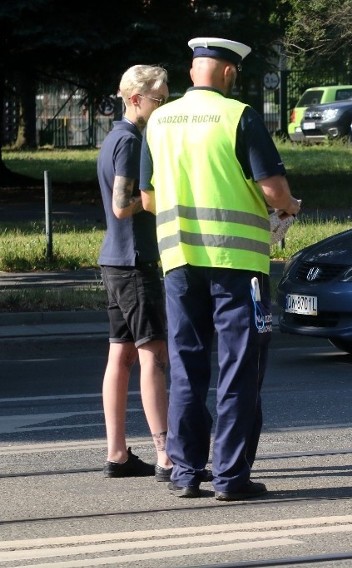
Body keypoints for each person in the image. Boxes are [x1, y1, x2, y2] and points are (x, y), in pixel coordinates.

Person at [140, 37, 301, 500]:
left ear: (193, 72)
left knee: (187, 368)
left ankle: (185, 472)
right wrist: (290, 207)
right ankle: (231, 478)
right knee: (239, 367)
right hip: (238, 264)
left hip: (179, 261)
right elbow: (273, 191)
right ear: (229, 73)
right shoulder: (239, 116)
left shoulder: (160, 120)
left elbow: (148, 198)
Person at [97, 65, 173, 481]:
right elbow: (122, 205)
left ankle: (118, 454)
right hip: (133, 262)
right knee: (154, 357)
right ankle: (166, 455)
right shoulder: (129, 141)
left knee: (120, 356)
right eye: (158, 99)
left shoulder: (113, 137)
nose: (162, 106)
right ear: (134, 99)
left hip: (114, 260)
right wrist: (166, 201)